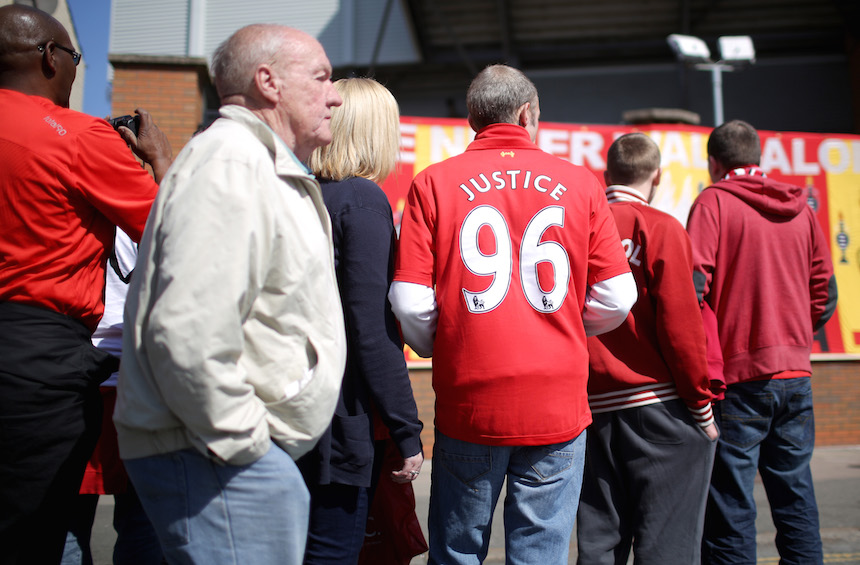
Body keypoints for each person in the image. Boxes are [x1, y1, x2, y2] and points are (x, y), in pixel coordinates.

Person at [113, 24, 347, 565]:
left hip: (221, 450)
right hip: (218, 454)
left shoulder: (251, 161)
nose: (335, 94)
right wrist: (248, 446)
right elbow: (186, 330)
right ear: (269, 82)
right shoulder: (231, 161)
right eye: (321, 77)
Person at [389, 64, 637, 565]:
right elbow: (617, 296)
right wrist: (565, 323)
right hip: (557, 403)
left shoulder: (432, 182)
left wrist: (449, 340)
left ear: (472, 118)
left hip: (470, 400)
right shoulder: (581, 183)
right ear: (528, 114)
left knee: (457, 552)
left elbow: (409, 301)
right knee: (539, 554)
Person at [0, 5, 172, 563]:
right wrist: (162, 160)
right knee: (33, 532)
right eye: (75, 58)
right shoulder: (77, 135)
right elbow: (181, 231)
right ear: (50, 58)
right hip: (37, 355)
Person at [686, 119, 838, 565]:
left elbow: (693, 286)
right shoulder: (801, 207)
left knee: (731, 502)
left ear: (714, 163)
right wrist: (791, 337)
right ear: (759, 159)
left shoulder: (713, 203)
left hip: (739, 379)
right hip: (795, 374)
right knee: (795, 493)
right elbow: (824, 291)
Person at [575, 133, 718, 565]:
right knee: (667, 546)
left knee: (598, 542)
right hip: (659, 407)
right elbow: (682, 328)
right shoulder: (660, 227)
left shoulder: (577, 229)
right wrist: (701, 408)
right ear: (657, 176)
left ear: (606, 175)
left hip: (590, 407)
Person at [300, 77, 424, 565]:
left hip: (286, 405)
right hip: (339, 415)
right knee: (332, 551)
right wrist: (407, 429)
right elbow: (370, 329)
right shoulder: (362, 200)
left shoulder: (303, 194)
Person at [62, 230, 163, 565]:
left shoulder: (73, 204)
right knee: (143, 525)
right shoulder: (160, 203)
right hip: (132, 384)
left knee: (68, 523)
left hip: (84, 380)